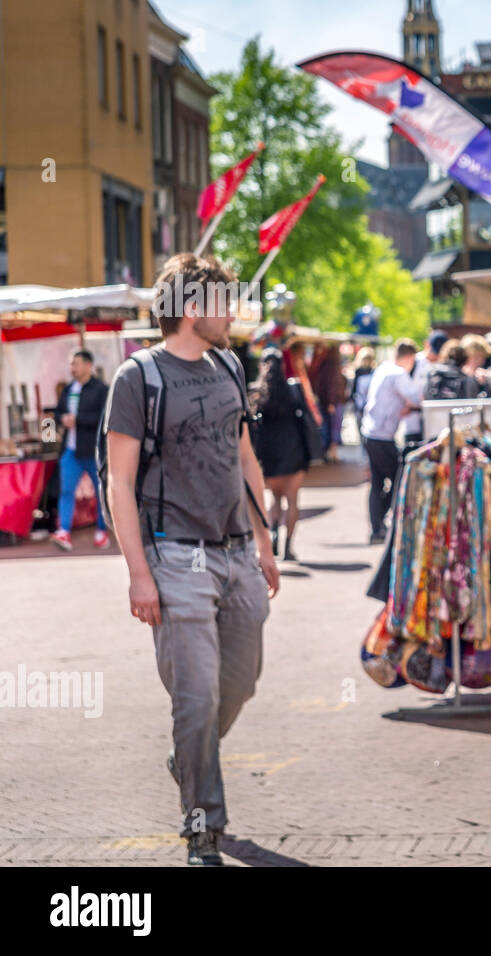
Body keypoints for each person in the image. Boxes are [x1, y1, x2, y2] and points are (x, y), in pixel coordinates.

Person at [103, 253, 279, 867]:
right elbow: (118, 483)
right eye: (223, 302)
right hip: (175, 554)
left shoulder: (229, 365)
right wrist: (138, 573)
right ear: (190, 308)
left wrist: (264, 539)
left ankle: (190, 757)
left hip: (236, 551)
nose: (232, 312)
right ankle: (202, 824)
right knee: (197, 698)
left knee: (241, 682)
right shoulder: (138, 377)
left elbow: (244, 457)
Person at [360, 339, 423, 544]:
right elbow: (415, 396)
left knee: (378, 481)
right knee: (399, 477)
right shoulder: (398, 373)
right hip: (382, 436)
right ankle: (387, 522)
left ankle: (376, 528)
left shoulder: (383, 368)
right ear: (409, 358)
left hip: (371, 432)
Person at [252, 348, 309, 561]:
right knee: (292, 501)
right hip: (293, 452)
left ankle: (274, 533)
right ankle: (288, 546)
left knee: (274, 499)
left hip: (268, 454)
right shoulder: (292, 389)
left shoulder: (257, 393)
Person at [52, 349, 110, 551]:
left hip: (93, 450)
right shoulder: (68, 389)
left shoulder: (101, 389)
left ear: (88, 365)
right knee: (66, 490)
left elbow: (104, 419)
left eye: (75, 364)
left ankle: (102, 531)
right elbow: (57, 413)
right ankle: (64, 531)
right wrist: (62, 420)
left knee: (101, 492)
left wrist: (78, 420)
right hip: (70, 449)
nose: (72, 368)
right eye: (71, 364)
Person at [308, 343, 346, 464]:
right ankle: (332, 452)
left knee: (329, 427)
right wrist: (331, 402)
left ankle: (328, 452)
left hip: (328, 401)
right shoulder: (332, 366)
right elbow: (332, 385)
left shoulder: (325, 365)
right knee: (333, 427)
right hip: (332, 402)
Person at [349, 347, 376, 429]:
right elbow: (354, 387)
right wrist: (352, 398)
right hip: (359, 401)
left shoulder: (374, 372)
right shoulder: (358, 371)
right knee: (359, 422)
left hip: (370, 401)